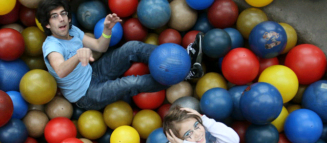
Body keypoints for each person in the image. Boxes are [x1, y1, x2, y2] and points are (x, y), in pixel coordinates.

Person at [36, 0, 204, 110]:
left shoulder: (73, 31)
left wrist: (107, 30)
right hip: (85, 94)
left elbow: (100, 47)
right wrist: (77, 56)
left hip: (94, 71)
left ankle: (183, 62)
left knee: (130, 47)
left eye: (63, 14)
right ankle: (183, 74)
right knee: (131, 83)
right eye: (54, 16)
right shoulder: (51, 45)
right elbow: (60, 70)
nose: (62, 19)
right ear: (47, 24)